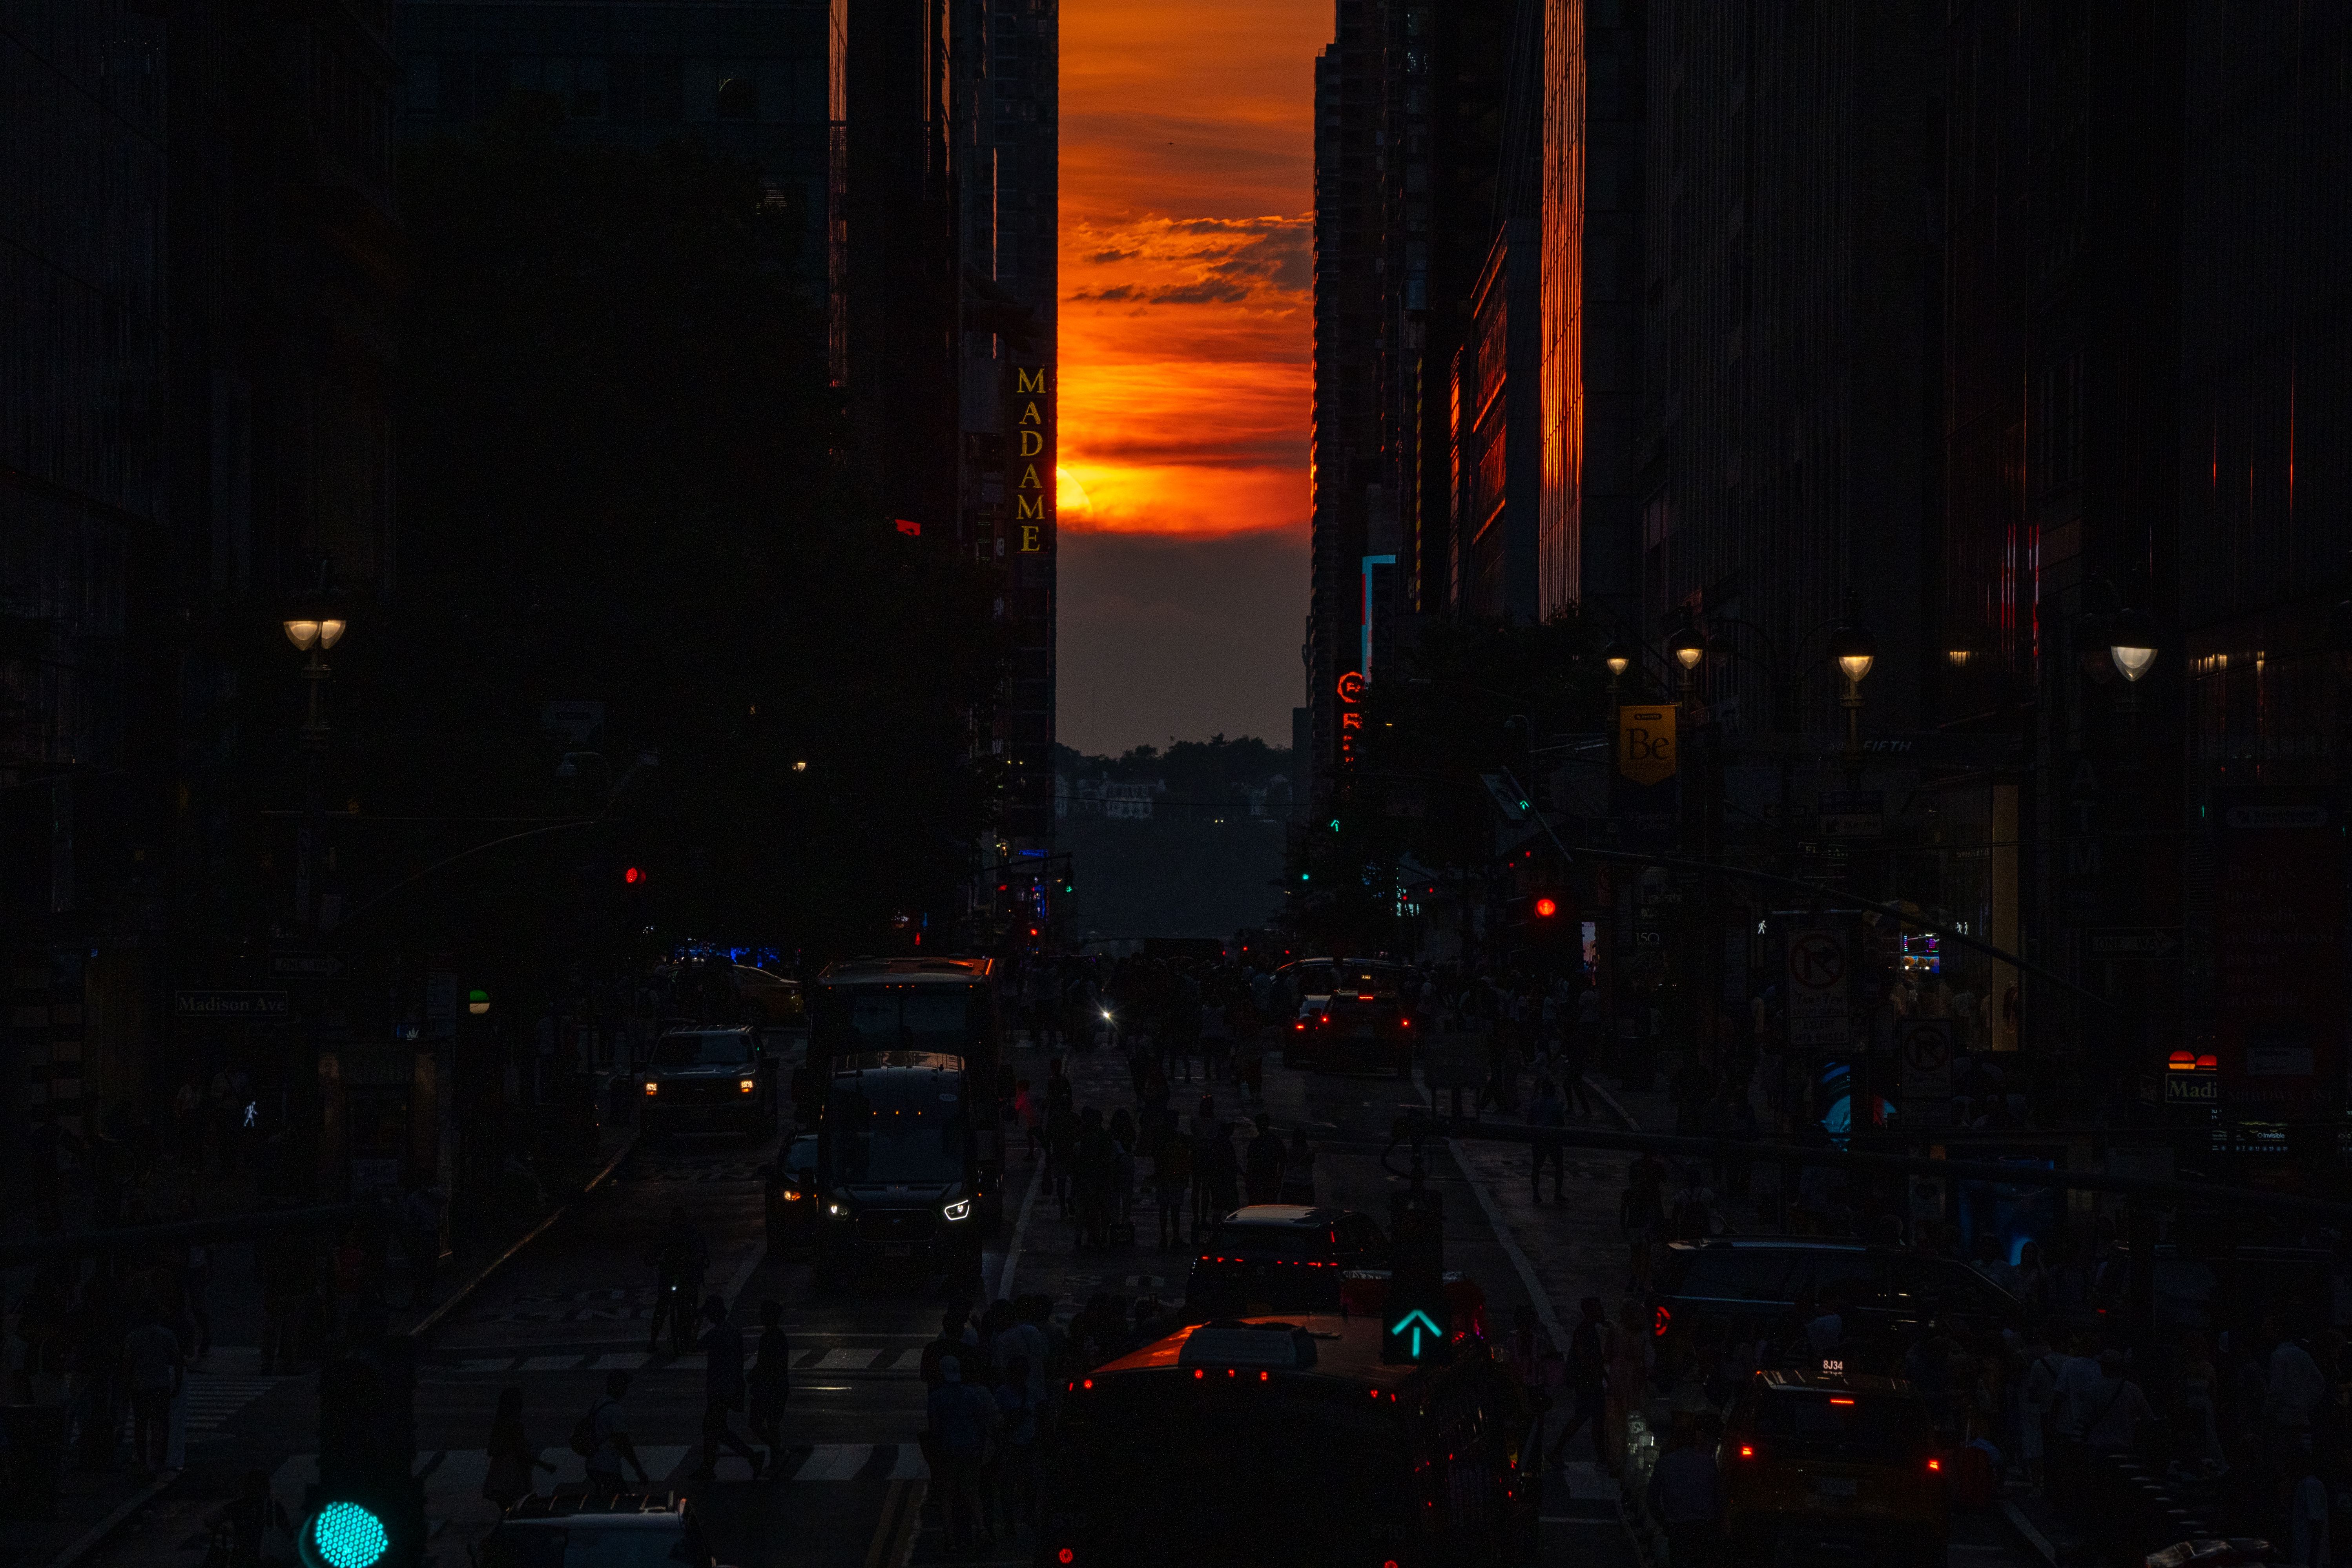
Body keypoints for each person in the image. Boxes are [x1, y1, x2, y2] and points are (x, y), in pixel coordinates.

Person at [927, 1356, 999, 1553]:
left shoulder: (937, 1397)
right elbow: (981, 1420)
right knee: (972, 1491)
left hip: (948, 1449)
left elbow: (934, 1427)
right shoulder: (971, 1394)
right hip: (970, 1448)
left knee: (947, 1495)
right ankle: (982, 1529)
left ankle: (950, 1538)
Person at [694, 1295, 764, 1479]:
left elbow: (693, 1346)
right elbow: (739, 1362)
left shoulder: (716, 1334)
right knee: (718, 1429)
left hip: (719, 1388)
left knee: (711, 1427)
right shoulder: (733, 1332)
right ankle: (748, 1457)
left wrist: (697, 1322)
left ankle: (712, 1467)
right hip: (730, 1386)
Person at [1646, 1413, 1724, 1566]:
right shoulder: (1708, 1464)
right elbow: (1719, 1497)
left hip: (1678, 1527)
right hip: (1705, 1527)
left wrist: (1664, 1523)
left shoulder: (1664, 1463)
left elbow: (1652, 1499)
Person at [121, 1307, 183, 1473]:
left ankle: (142, 1460)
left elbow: (127, 1365)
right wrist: (177, 1383)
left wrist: (126, 1387)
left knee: (141, 1423)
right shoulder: (167, 1335)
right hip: (160, 1385)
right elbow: (177, 1361)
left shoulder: (133, 1337)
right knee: (159, 1423)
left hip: (140, 1385)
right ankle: (157, 1460)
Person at [646, 1207, 709, 1354]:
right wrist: (652, 1258)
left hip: (684, 1273)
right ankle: (653, 1340)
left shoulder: (689, 1233)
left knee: (680, 1302)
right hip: (672, 1272)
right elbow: (656, 1249)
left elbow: (701, 1250)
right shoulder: (671, 1233)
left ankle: (657, 1340)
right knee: (662, 1305)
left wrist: (700, 1259)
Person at [483, 1386, 555, 1511]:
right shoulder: (515, 1426)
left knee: (508, 1509)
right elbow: (522, 1453)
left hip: (499, 1475)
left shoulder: (500, 1425)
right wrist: (545, 1465)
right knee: (517, 1508)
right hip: (513, 1476)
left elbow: (492, 1450)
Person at [582, 1370, 653, 1495]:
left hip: (593, 1462)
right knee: (622, 1500)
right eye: (624, 1385)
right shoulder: (615, 1411)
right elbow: (623, 1443)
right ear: (618, 1387)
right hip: (607, 1465)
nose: (626, 1389)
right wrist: (638, 1470)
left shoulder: (600, 1403)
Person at [205, 1469, 291, 1568]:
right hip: (268, 1559)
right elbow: (288, 1532)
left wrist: (229, 1533)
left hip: (241, 1556)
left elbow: (210, 1520)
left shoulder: (238, 1506)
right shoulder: (274, 1507)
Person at [994, 1354, 1039, 1536]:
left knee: (1030, 1481)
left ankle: (1027, 1514)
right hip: (1010, 1443)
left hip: (1028, 1441)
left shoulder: (1030, 1391)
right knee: (1009, 1483)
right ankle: (1010, 1521)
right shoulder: (1003, 1394)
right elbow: (999, 1421)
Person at [1559, 1297, 1608, 1466]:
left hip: (1588, 1380)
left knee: (1590, 1418)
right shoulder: (1585, 1330)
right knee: (1589, 1418)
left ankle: (1602, 1457)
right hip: (1588, 1382)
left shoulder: (1588, 1329)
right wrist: (1596, 1372)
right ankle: (1601, 1457)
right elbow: (1583, 1356)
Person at [749, 1298, 793, 1465]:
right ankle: (777, 1458)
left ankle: (778, 1453)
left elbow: (766, 1364)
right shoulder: (778, 1337)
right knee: (772, 1424)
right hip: (777, 1386)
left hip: (770, 1387)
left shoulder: (769, 1338)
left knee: (759, 1423)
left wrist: (753, 1377)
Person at [1528, 1078, 1568, 1203]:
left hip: (1538, 1137)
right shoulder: (1556, 1105)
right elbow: (1561, 1123)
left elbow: (1529, 1121)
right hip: (1553, 1138)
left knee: (1537, 1166)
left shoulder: (1536, 1103)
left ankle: (1536, 1194)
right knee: (1559, 1166)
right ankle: (1557, 1194)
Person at [1244, 1114, 1285, 1205]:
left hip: (1258, 1181)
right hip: (1269, 1180)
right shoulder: (1275, 1141)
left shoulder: (1255, 1143)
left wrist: (1248, 1182)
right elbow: (1282, 1163)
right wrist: (1279, 1179)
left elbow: (1250, 1165)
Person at [1277, 1125, 1316, 1205]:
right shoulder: (1310, 1152)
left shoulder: (1288, 1150)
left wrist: (1279, 1180)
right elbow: (1311, 1162)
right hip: (1306, 1183)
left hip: (1290, 1182)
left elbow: (1283, 1165)